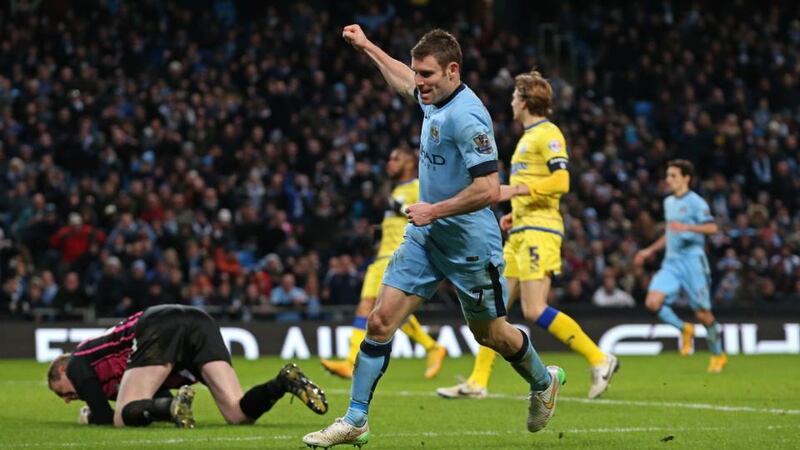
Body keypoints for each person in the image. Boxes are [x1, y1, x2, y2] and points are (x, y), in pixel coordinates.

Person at [302, 26, 565, 449]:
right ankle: (355, 419)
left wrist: (433, 210)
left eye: (426, 73)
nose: (418, 81)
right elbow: (403, 81)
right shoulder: (433, 98)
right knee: (380, 321)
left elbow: (488, 189)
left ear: (452, 70)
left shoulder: (468, 116)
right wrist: (368, 47)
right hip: (427, 239)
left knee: (491, 334)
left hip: (470, 246)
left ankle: (542, 380)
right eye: (417, 72)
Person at [437, 71, 619, 401]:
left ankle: (600, 358)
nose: (510, 102)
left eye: (513, 97)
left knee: (534, 310)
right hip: (522, 229)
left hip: (541, 232)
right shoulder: (527, 138)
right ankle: (478, 382)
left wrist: (519, 189)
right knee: (494, 310)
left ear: (524, 101)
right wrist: (514, 214)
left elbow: (561, 181)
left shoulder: (548, 133)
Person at [47, 304, 328, 427]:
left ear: (62, 371)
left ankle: (172, 411)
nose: (67, 399)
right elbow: (155, 400)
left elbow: (104, 415)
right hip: (200, 321)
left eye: (62, 392)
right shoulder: (113, 373)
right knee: (236, 413)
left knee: (122, 418)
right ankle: (282, 382)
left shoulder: (77, 364)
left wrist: (88, 416)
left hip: (157, 324)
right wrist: (167, 408)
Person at [320, 147, 447, 380]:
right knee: (376, 308)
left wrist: (398, 209)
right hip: (381, 257)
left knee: (375, 307)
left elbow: (429, 214)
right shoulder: (396, 189)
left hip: (398, 255)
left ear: (410, 163)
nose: (390, 162)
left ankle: (351, 362)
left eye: (396, 158)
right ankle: (432, 347)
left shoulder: (418, 187)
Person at [634, 159, 727, 373]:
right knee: (652, 302)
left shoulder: (696, 202)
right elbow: (670, 232)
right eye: (667, 175)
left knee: (703, 313)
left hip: (693, 262)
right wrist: (649, 250)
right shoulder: (668, 203)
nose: (668, 180)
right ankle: (684, 329)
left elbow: (712, 227)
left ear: (686, 178)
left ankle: (717, 354)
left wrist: (687, 227)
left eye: (673, 175)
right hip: (672, 262)